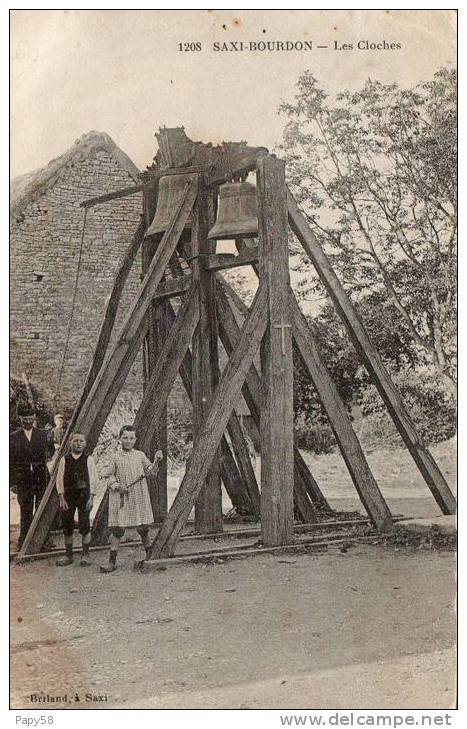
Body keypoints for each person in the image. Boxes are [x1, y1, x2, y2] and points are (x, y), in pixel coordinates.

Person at [100, 425, 163, 573]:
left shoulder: (140, 455)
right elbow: (107, 475)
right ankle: (112, 561)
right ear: (120, 438)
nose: (128, 441)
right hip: (123, 495)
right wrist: (116, 486)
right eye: (125, 438)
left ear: (135, 439)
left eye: (131, 438)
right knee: (118, 528)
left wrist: (156, 460)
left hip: (139, 495)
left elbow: (152, 472)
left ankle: (150, 557)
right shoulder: (115, 457)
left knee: (143, 527)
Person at [10, 403, 55, 550]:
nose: (28, 422)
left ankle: (44, 540)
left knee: (41, 508)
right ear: (20, 418)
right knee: (25, 509)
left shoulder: (43, 434)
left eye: (30, 418)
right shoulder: (13, 437)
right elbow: (9, 461)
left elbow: (51, 451)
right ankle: (23, 541)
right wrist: (12, 482)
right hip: (23, 479)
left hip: (41, 477)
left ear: (34, 418)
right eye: (25, 419)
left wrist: (44, 459)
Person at [55, 432, 99, 567]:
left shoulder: (88, 459)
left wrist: (91, 498)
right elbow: (59, 479)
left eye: (81, 441)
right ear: (70, 443)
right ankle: (68, 555)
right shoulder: (64, 459)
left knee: (85, 525)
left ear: (85, 444)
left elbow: (93, 479)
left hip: (84, 496)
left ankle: (86, 555)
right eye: (75, 441)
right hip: (68, 496)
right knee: (67, 525)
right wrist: (62, 497)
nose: (78, 443)